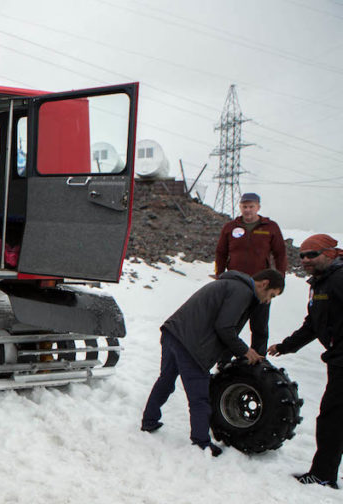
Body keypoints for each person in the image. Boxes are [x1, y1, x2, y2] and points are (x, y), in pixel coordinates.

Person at [141, 269, 285, 456]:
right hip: (191, 345)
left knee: (166, 380)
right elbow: (224, 327)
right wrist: (245, 351)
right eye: (271, 295)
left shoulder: (230, 283)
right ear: (264, 284)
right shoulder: (242, 292)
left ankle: (149, 421)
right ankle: (201, 443)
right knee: (200, 397)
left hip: (173, 333)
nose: (268, 301)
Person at [269, 233, 343, 489]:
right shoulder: (320, 284)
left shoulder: (339, 279)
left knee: (331, 418)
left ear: (331, 254)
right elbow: (312, 326)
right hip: (337, 359)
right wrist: (285, 347)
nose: (305, 259)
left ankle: (323, 475)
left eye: (312, 254)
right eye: (302, 255)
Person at [214, 192, 287, 355]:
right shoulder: (230, 227)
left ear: (258, 207)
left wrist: (280, 278)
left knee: (259, 326)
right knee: (230, 324)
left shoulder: (270, 227)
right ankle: (224, 361)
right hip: (236, 285)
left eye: (251, 207)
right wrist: (219, 275)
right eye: (244, 207)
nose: (247, 210)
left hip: (262, 285)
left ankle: (258, 360)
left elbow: (280, 253)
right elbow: (221, 252)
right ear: (240, 207)